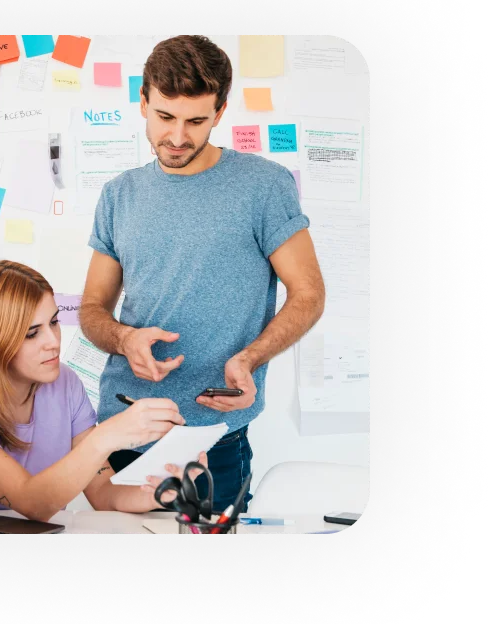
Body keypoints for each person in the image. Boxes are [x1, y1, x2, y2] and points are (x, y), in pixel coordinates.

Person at [79, 35, 326, 513]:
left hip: (213, 438)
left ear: (220, 112)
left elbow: (309, 293)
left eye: (195, 121)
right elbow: (91, 309)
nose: (177, 137)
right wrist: (124, 339)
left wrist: (250, 358)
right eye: (164, 117)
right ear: (143, 102)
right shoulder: (118, 194)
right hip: (122, 426)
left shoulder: (264, 185)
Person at [0, 260, 207, 523]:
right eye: (32, 333)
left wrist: (160, 491)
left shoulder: (65, 383)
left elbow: (103, 492)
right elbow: (31, 504)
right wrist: (107, 436)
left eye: (54, 322)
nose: (53, 341)